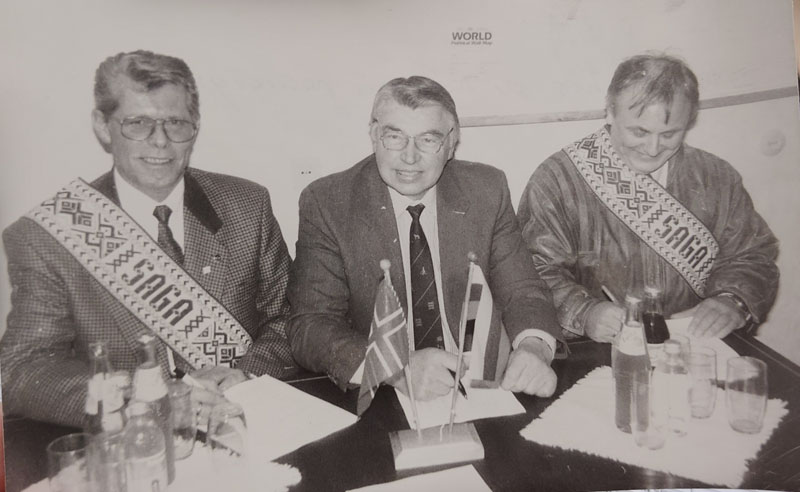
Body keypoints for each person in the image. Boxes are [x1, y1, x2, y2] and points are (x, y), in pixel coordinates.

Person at [0, 50, 295, 427]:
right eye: (138, 123)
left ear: (195, 127)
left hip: (242, 427)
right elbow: (23, 369)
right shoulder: (47, 238)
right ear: (103, 127)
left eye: (176, 123)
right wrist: (140, 401)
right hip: (130, 447)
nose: (160, 142)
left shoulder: (247, 206)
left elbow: (289, 319)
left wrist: (246, 375)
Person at [287, 76, 565, 401]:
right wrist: (394, 368)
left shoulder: (487, 190)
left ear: (451, 144)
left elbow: (524, 292)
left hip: (480, 387)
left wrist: (534, 348)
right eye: (395, 137)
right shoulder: (328, 202)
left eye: (428, 140)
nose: (409, 157)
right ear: (374, 136)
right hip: (382, 393)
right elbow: (310, 326)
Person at [517, 53, 779, 344]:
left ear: (689, 122)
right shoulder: (557, 180)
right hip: (598, 347)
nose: (653, 148)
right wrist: (584, 311)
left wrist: (733, 301)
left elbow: (753, 256)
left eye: (669, 134)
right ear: (610, 111)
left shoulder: (717, 177)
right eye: (638, 132)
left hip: (694, 344)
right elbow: (531, 270)